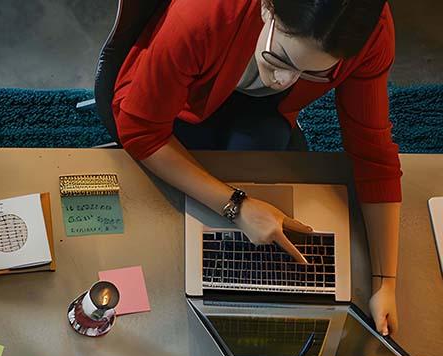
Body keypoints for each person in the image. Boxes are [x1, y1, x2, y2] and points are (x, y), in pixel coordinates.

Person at [112, 0, 403, 335]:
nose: (284, 80)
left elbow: (374, 155)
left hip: (266, 115)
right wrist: (237, 206)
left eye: (314, 73)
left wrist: (386, 282)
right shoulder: (204, 13)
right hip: (183, 99)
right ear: (268, 7)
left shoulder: (365, 29)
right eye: (280, 58)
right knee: (183, 231)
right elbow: (141, 129)